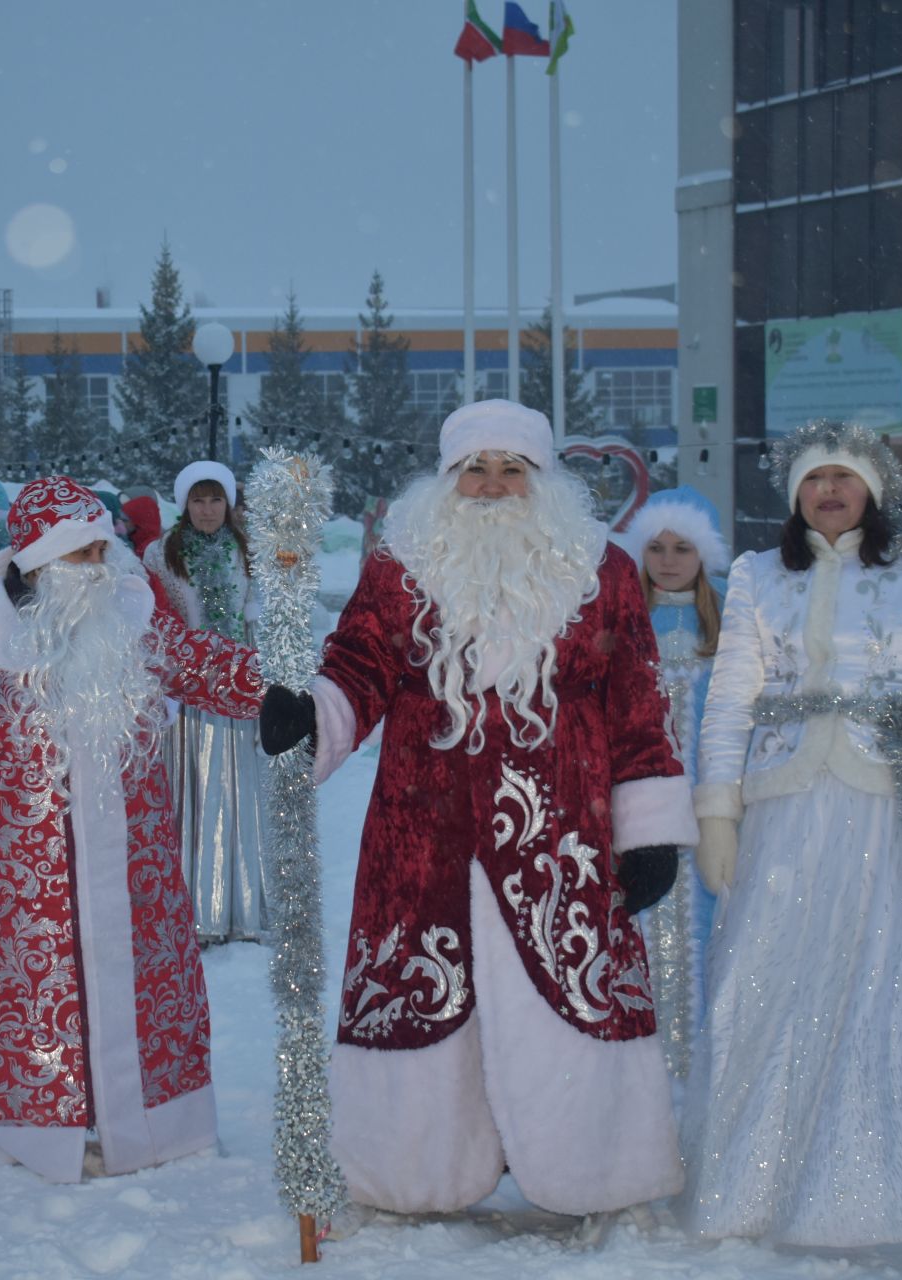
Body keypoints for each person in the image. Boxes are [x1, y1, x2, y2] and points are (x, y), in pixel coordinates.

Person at [260, 399, 695, 1220]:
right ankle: (410, 1169)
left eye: (513, 470)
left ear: (544, 479)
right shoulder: (398, 565)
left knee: (574, 988)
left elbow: (638, 699)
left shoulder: (603, 570)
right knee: (422, 987)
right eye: (475, 470)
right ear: (447, 476)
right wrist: (313, 713)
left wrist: (648, 833)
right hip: (423, 826)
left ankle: (597, 1166)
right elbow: (360, 663)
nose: (492, 488)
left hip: (564, 831)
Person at [680, 422, 902, 1252]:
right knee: (781, 982)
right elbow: (729, 703)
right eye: (813, 481)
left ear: (872, 493)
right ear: (795, 495)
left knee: (901, 987)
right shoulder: (760, 576)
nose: (828, 492)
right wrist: (718, 813)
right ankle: (755, 1186)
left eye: (843, 479)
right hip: (789, 806)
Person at [0, 476, 264, 1182]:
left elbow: (205, 664)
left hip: (130, 856)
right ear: (40, 560)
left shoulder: (134, 617)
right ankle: (41, 1131)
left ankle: (149, 1125)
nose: (100, 566)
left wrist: (280, 690)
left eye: (101, 549)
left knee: (144, 986)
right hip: (17, 867)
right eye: (82, 555)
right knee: (34, 999)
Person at [614, 487, 732, 1079]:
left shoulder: (735, 622)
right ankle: (644, 1076)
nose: (667, 559)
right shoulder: (623, 618)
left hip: (713, 811)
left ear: (704, 554)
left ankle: (709, 1076)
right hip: (641, 813)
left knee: (712, 936)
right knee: (643, 935)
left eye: (682, 547)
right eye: (655, 547)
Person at [143, 461, 267, 944]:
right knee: (191, 794)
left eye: (216, 499)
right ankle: (195, 910)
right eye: (199, 500)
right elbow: (157, 625)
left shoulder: (248, 551)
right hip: (187, 694)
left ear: (230, 503)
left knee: (239, 794)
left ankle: (241, 907)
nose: (208, 510)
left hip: (239, 692)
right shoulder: (160, 554)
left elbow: (257, 622)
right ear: (184, 504)